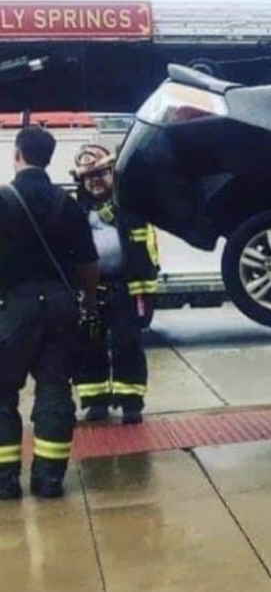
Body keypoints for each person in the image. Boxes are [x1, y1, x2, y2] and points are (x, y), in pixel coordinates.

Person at [0, 126, 100, 500]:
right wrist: (88, 304)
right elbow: (89, 263)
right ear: (49, 157)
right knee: (55, 390)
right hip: (60, 305)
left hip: (12, 308)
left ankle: (5, 480)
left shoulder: (2, 200)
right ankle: (48, 479)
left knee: (1, 393)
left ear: (17, 154)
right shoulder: (67, 203)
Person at [72, 144, 160, 425]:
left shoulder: (130, 209)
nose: (95, 180)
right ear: (82, 182)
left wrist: (146, 297)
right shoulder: (75, 214)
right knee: (90, 345)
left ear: (113, 174)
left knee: (128, 344)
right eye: (89, 176)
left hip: (126, 289)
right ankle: (96, 402)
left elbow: (149, 254)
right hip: (91, 293)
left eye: (101, 173)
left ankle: (131, 403)